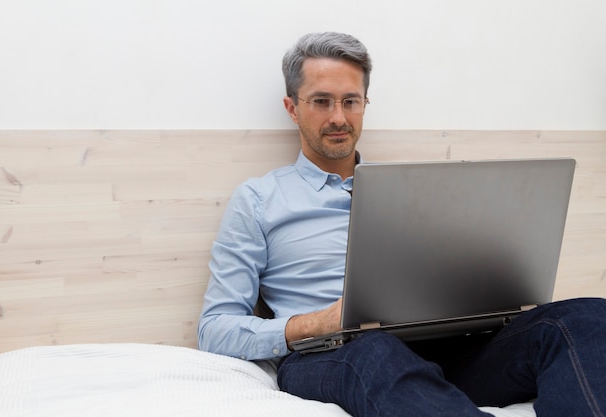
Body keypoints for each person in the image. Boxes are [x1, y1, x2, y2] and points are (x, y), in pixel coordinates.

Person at [198, 32, 606, 417]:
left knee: (584, 318)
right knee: (374, 349)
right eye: (321, 101)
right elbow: (215, 329)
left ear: (364, 104)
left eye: (350, 101)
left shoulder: (413, 188)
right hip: (330, 353)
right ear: (292, 107)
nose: (338, 117)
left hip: (444, 348)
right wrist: (315, 323)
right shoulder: (258, 200)